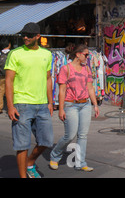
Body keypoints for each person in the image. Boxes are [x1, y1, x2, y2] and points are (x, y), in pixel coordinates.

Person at [5, 22, 53, 178]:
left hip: (42, 104)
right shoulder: (15, 54)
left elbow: (48, 78)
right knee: (22, 145)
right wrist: (10, 106)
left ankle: (30, 163)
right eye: (23, 34)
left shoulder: (46, 54)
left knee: (46, 141)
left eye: (29, 35)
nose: (25, 37)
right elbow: (8, 81)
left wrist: (51, 102)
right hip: (22, 104)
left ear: (38, 36)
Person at [49, 44, 99, 172]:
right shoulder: (66, 69)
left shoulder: (87, 69)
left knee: (83, 135)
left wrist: (95, 104)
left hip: (85, 104)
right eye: (86, 55)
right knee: (70, 135)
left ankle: (80, 162)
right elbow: (62, 90)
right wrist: (61, 109)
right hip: (70, 104)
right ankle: (55, 155)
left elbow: (90, 87)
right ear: (78, 54)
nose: (88, 57)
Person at [0, 37, 11, 114]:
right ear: (9, 45)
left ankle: (0, 107)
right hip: (10, 75)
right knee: (10, 91)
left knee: (1, 91)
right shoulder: (12, 54)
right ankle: (10, 107)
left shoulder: (0, 54)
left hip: (1, 76)